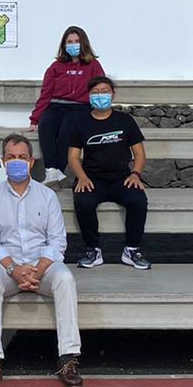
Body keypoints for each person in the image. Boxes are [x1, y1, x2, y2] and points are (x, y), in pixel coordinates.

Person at [0, 135, 82, 387]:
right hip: (7, 266)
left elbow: (57, 241)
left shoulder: (47, 196)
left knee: (66, 279)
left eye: (22, 157)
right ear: (3, 161)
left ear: (31, 161)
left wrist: (38, 269)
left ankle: (68, 358)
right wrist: (14, 269)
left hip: (41, 265)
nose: (16, 162)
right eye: (11, 157)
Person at [66, 76, 150, 271]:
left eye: (104, 91)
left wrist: (136, 174)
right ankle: (93, 250)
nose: (100, 95)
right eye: (95, 92)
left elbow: (139, 153)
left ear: (113, 94)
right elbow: (73, 156)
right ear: (89, 96)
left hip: (122, 178)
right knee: (82, 201)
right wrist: (82, 177)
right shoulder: (80, 123)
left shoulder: (125, 121)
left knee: (138, 200)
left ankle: (132, 249)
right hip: (92, 179)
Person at [29, 26, 105, 185]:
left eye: (77, 41)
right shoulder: (56, 66)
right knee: (47, 123)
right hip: (56, 105)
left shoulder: (93, 65)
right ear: (64, 45)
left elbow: (100, 88)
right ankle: (51, 170)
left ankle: (59, 169)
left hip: (80, 107)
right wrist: (35, 119)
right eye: (69, 41)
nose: (73, 44)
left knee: (68, 129)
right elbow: (46, 93)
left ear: (83, 43)